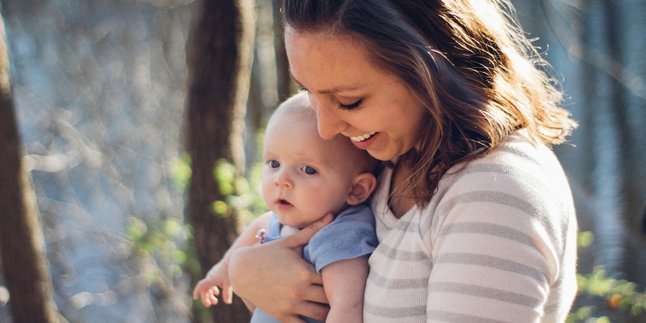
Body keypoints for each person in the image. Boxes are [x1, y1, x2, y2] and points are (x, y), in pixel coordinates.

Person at [227, 0, 579, 322]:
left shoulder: (494, 192)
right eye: (308, 92)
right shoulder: (390, 156)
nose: (326, 128)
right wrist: (246, 272)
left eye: (349, 101)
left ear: (432, 71)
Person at [193, 92, 380, 322]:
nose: (281, 179)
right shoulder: (279, 220)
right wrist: (219, 273)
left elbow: (347, 308)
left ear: (356, 190)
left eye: (308, 169)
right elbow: (257, 227)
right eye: (274, 163)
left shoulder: (339, 235)